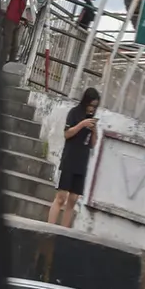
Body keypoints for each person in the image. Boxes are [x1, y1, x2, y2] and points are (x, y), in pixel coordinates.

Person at [49, 87, 100, 228]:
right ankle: (49, 229)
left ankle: (64, 232)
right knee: (61, 198)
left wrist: (94, 131)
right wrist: (82, 124)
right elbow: (67, 134)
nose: (92, 109)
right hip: (70, 158)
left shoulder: (93, 119)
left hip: (82, 161)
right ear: (85, 102)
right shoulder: (74, 113)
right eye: (90, 105)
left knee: (73, 199)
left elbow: (93, 144)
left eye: (95, 106)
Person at [0, 0, 35, 64]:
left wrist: (23, 19)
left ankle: (10, 64)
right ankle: (0, 63)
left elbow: (18, 11)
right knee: (7, 44)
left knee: (15, 46)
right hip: (9, 21)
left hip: (16, 22)